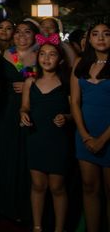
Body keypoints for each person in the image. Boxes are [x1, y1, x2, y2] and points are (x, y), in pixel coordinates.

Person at [20, 42, 70, 232]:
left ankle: (59, 228)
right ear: (37, 57)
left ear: (60, 59)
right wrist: (23, 114)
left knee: (57, 186)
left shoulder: (65, 82)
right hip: (36, 137)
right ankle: (37, 226)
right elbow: (24, 106)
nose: (47, 58)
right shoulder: (30, 81)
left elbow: (74, 111)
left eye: (52, 54)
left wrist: (66, 117)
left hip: (58, 139)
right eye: (43, 54)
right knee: (38, 184)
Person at [0, 20, 38, 223]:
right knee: (8, 155)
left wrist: (31, 84)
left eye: (27, 32)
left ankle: (29, 208)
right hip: (8, 110)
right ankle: (7, 206)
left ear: (35, 35)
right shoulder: (6, 54)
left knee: (30, 157)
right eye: (18, 32)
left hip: (35, 110)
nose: (21, 36)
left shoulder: (42, 54)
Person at [70, 22, 110, 232]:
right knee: (89, 187)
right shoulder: (80, 63)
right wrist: (85, 136)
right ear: (89, 39)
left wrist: (102, 139)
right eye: (95, 34)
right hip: (84, 134)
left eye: (106, 33)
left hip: (108, 136)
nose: (101, 38)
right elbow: (75, 102)